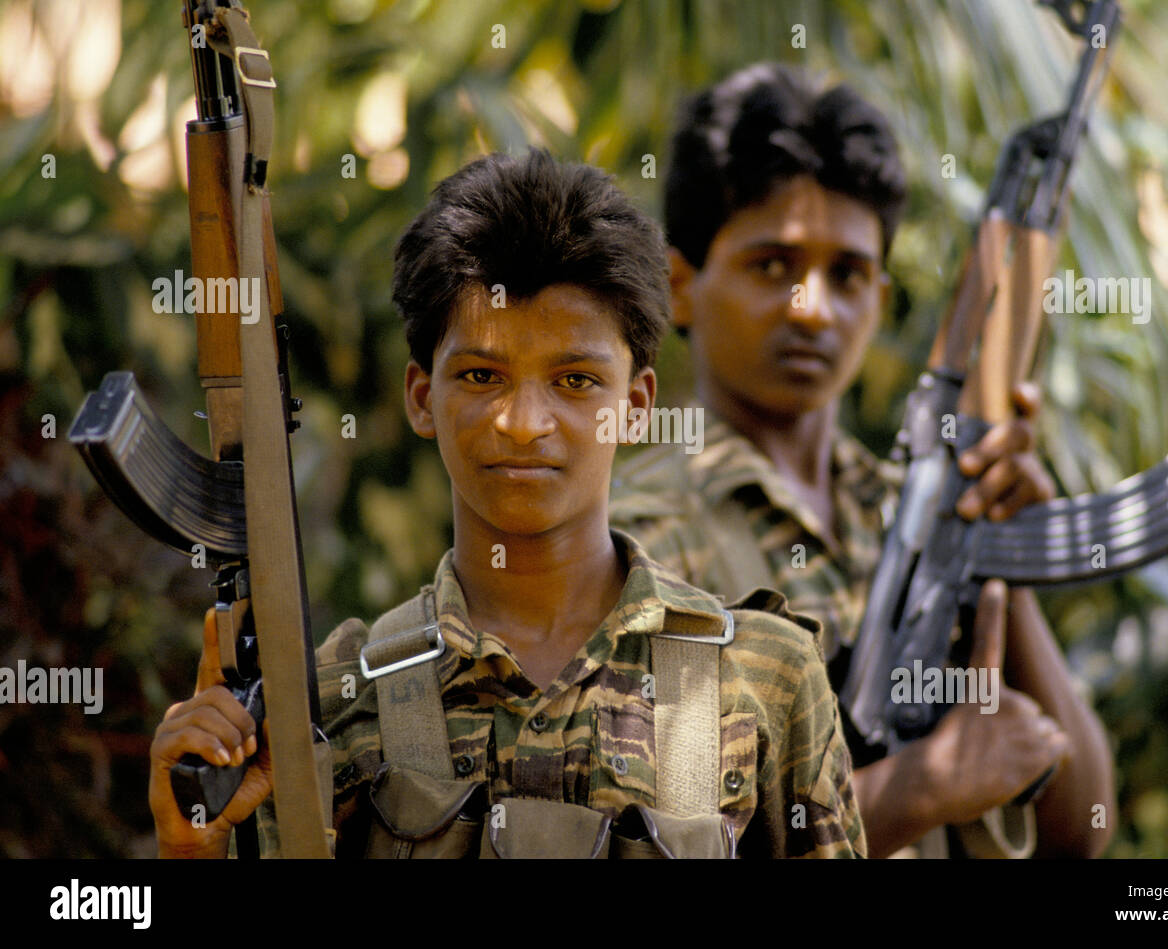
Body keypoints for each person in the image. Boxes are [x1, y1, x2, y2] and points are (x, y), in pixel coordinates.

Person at [147, 148, 866, 859]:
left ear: (637, 404)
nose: (524, 422)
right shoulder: (333, 703)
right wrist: (191, 850)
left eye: (576, 380)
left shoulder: (763, 679)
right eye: (483, 374)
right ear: (423, 397)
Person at [608, 64, 1116, 858]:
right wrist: (922, 786)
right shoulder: (636, 543)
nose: (812, 308)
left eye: (846, 274)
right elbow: (671, 846)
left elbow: (1080, 829)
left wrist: (996, 564)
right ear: (678, 286)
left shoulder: (907, 506)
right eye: (771, 264)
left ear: (880, 298)